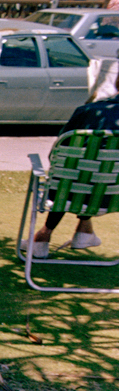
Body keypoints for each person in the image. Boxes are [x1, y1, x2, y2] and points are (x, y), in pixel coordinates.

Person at [24, 59, 119, 257]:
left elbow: (56, 155)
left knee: (73, 172)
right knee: (96, 175)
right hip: (110, 196)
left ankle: (43, 236)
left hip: (66, 190)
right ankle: (84, 231)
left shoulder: (89, 112)